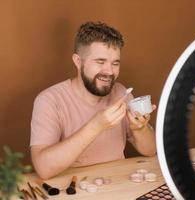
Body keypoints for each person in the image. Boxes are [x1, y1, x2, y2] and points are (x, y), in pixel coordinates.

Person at [30, 21, 156, 179]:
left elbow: (151, 150)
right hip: (73, 187)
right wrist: (95, 126)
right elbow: (43, 168)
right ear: (78, 61)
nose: (109, 71)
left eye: (115, 63)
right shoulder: (49, 100)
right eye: (100, 62)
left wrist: (140, 129)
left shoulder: (121, 92)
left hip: (118, 184)